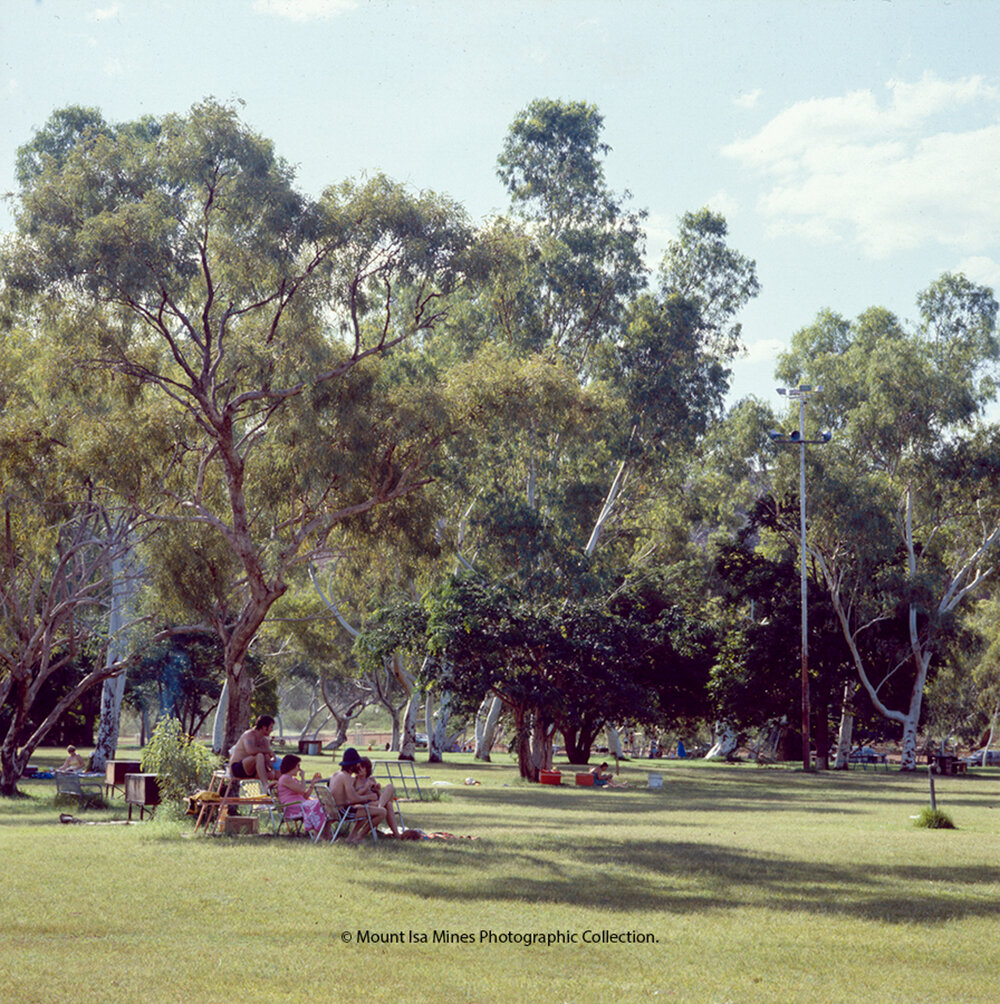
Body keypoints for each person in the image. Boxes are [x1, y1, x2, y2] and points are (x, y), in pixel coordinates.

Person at [328, 747, 386, 842]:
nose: (358, 767)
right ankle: (359, 837)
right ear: (352, 765)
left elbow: (349, 797)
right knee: (382, 812)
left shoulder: (336, 774)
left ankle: (352, 837)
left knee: (364, 808)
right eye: (357, 764)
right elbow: (353, 799)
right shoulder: (346, 777)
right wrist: (369, 797)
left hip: (333, 811)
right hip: (343, 812)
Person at [275, 754, 327, 838]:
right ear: (291, 766)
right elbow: (302, 789)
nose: (299, 768)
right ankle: (318, 834)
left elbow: (305, 796)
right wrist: (303, 777)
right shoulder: (285, 778)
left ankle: (324, 833)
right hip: (291, 807)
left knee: (322, 803)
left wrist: (312, 783)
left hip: (300, 804)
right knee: (318, 803)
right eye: (298, 765)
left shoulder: (292, 779)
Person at [356, 756, 402, 837]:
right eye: (358, 768)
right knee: (388, 805)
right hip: (366, 805)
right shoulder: (355, 780)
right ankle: (397, 835)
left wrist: (377, 790)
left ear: (367, 768)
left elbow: (379, 797)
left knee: (390, 787)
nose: (360, 770)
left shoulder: (371, 779)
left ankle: (380, 807)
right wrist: (365, 788)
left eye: (362, 767)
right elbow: (355, 796)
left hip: (377, 803)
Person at [229, 715, 278, 784]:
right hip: (237, 769)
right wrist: (269, 751)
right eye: (271, 727)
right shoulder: (248, 735)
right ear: (264, 727)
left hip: (253, 770)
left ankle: (284, 789)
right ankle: (266, 785)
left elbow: (267, 760)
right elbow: (251, 751)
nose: (272, 730)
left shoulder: (265, 741)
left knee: (279, 774)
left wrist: (271, 770)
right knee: (259, 755)